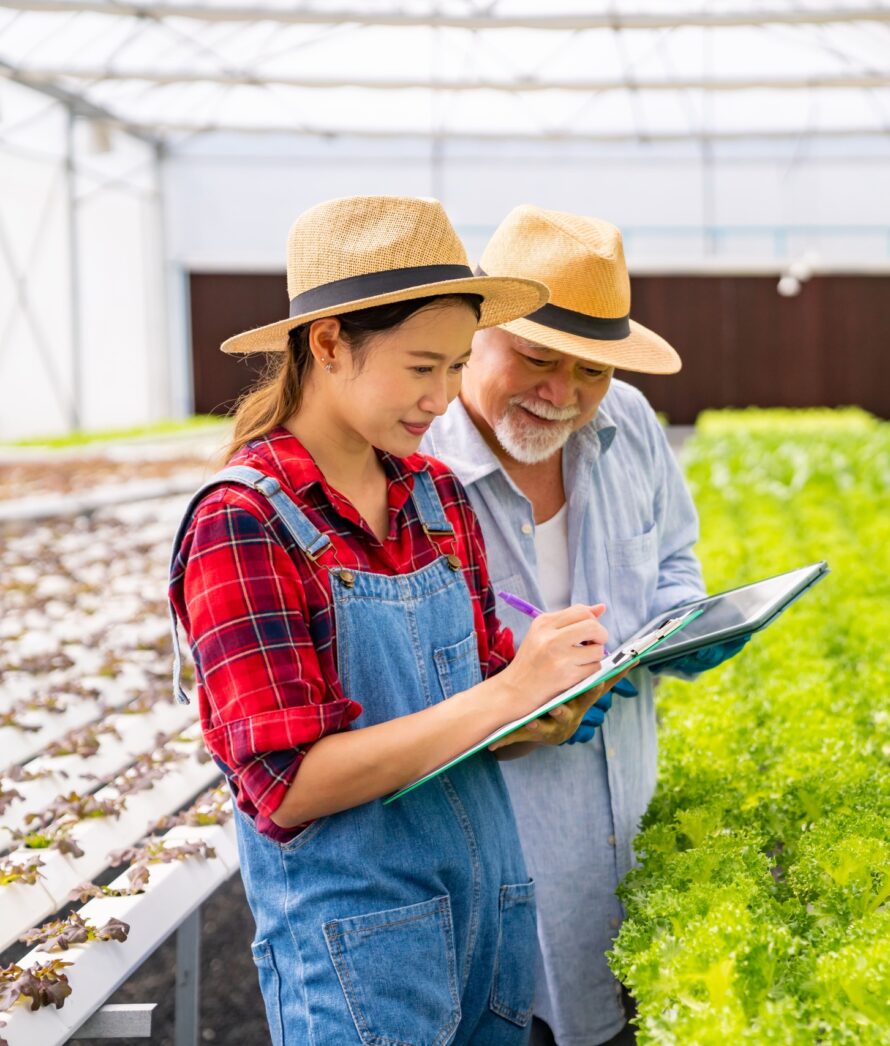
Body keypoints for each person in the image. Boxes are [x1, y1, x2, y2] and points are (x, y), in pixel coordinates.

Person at [168, 195, 613, 1045]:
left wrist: (539, 710)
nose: (444, 399)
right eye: (421, 368)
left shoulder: (434, 496)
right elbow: (287, 786)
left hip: (490, 917)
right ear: (330, 343)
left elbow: (476, 701)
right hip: (359, 955)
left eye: (455, 367)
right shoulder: (244, 521)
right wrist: (503, 695)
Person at [422, 205, 746, 1046]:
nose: (561, 395)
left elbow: (674, 556)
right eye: (534, 358)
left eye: (590, 371)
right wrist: (513, 707)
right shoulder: (413, 472)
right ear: (476, 333)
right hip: (492, 867)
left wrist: (686, 631)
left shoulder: (629, 423)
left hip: (621, 837)